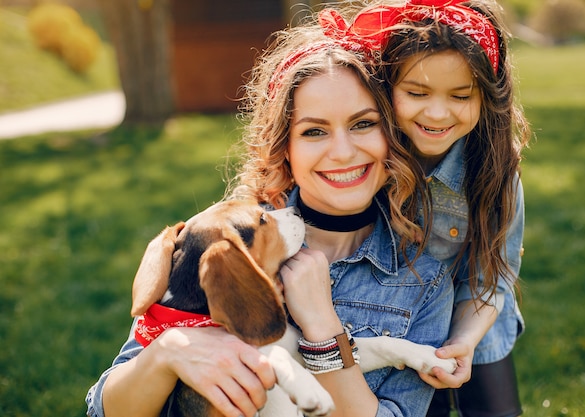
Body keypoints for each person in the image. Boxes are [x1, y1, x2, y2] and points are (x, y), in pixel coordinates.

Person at [86, 18, 455, 417]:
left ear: (393, 138)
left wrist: (323, 328)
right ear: (285, 148)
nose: (344, 152)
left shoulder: (423, 281)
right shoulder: (221, 241)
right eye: (314, 132)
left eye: (363, 124)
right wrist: (169, 352)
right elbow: (104, 410)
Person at [328, 1, 530, 416]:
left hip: (473, 312)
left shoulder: (495, 172)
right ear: (386, 88)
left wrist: (465, 341)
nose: (437, 113)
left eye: (460, 96)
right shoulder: (362, 160)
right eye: (417, 93)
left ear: (486, 96)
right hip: (388, 324)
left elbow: (491, 278)